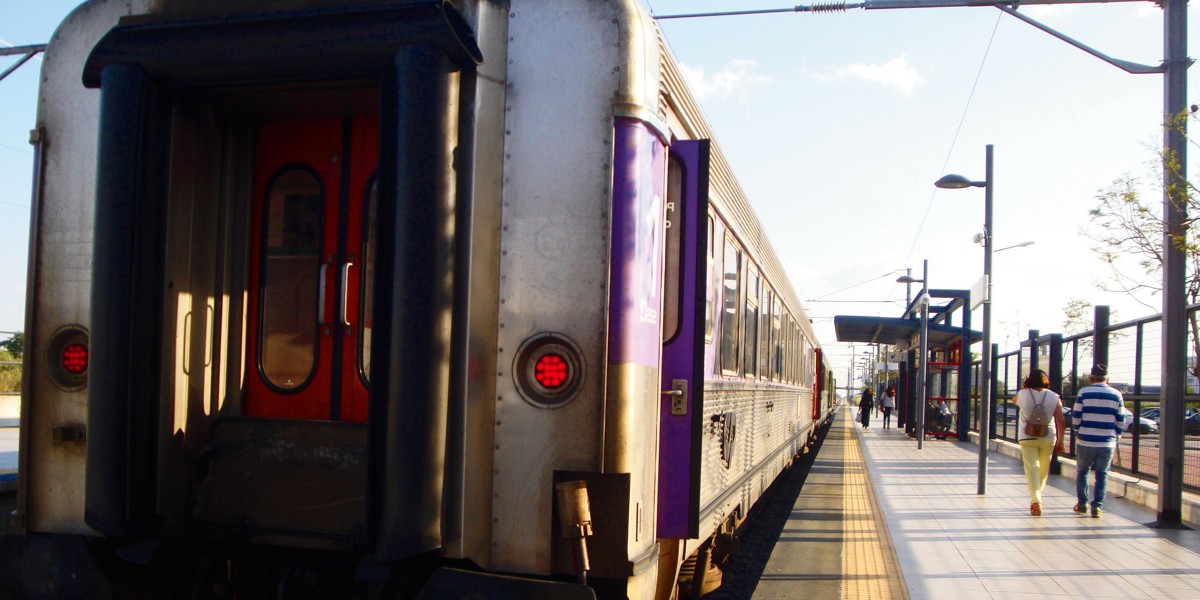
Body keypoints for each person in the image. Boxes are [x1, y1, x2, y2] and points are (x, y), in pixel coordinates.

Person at [1072, 364, 1131, 518]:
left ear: (1092, 377)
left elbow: (1076, 416)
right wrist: (1117, 435)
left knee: (1082, 472)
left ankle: (1082, 504)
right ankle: (1097, 507)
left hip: (1086, 440)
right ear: (1107, 378)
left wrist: (1077, 430)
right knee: (1102, 474)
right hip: (1107, 441)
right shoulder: (1116, 394)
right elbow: (1121, 419)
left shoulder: (1084, 392)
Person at [1016, 369, 1065, 517]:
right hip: (1048, 437)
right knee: (1043, 470)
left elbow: (1014, 401)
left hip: (1026, 437)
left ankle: (1036, 500)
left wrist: (1024, 388)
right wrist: (1061, 440)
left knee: (1032, 468)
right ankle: (1036, 499)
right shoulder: (1054, 396)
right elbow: (1060, 420)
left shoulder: (1022, 394)